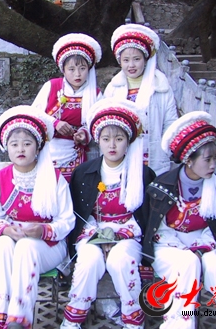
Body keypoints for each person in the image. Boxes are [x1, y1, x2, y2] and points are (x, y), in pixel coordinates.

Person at [142, 111, 216, 328]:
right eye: (207, 159)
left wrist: (202, 248)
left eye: (215, 158)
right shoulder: (161, 187)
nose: (213, 165)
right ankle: (180, 324)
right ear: (188, 159)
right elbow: (156, 230)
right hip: (168, 246)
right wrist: (186, 250)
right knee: (187, 263)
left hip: (205, 244)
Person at [60, 99, 156, 329]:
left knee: (120, 260)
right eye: (106, 139)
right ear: (97, 140)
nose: (112, 145)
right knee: (89, 260)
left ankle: (133, 319)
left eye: (119, 139)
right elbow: (79, 214)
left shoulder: (143, 174)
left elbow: (147, 217)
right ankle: (73, 319)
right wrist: (100, 237)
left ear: (128, 141)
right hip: (93, 233)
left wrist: (119, 236)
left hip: (129, 235)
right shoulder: (84, 172)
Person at [0, 105, 75, 329]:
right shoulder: (0, 178)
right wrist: (6, 230)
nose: (20, 149)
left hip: (48, 245)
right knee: (1, 245)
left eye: (27, 143)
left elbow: (67, 220)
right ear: (6, 148)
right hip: (14, 239)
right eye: (14, 144)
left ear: (38, 146)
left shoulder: (54, 178)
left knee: (26, 247)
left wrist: (42, 230)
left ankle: (19, 319)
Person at [104, 24, 177, 175]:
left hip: (153, 155)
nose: (131, 65)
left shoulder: (161, 87)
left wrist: (165, 149)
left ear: (145, 59)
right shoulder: (113, 88)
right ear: (120, 61)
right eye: (126, 60)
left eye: (136, 59)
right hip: (121, 154)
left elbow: (170, 122)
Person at [32, 33, 103, 182]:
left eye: (82, 68)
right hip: (49, 150)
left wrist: (84, 134)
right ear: (63, 69)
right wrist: (54, 123)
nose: (78, 74)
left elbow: (99, 124)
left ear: (89, 69)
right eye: (71, 69)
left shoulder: (95, 94)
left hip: (76, 154)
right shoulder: (51, 86)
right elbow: (33, 115)